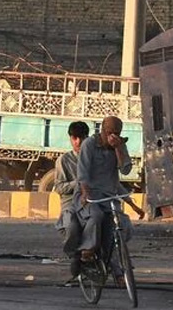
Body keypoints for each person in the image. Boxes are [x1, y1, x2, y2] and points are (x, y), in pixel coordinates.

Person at [73, 116, 144, 282]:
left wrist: (118, 148)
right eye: (109, 132)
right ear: (102, 130)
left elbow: (125, 171)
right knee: (96, 216)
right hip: (89, 195)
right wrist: (85, 193)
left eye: (116, 133)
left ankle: (118, 269)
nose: (113, 136)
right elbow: (83, 173)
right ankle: (87, 250)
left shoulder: (119, 144)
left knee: (120, 227)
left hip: (109, 196)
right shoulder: (90, 144)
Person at [53, 121, 89, 280]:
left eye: (81, 138)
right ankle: (75, 255)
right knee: (72, 225)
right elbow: (59, 188)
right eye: (75, 138)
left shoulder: (93, 158)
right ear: (70, 139)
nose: (78, 142)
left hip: (91, 201)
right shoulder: (64, 160)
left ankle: (118, 269)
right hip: (71, 203)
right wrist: (78, 184)